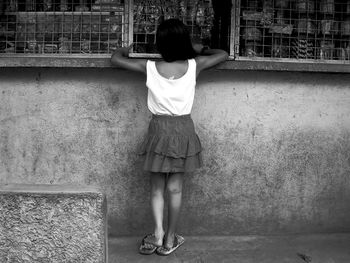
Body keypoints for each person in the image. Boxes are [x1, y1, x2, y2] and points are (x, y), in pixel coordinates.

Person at [111, 18, 228, 256]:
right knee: (175, 188)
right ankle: (170, 239)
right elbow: (224, 53)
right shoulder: (197, 65)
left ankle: (156, 233)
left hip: (158, 129)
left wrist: (125, 49)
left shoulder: (150, 67)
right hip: (183, 129)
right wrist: (200, 49)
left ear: (160, 43)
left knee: (156, 188)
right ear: (185, 42)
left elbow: (115, 59)